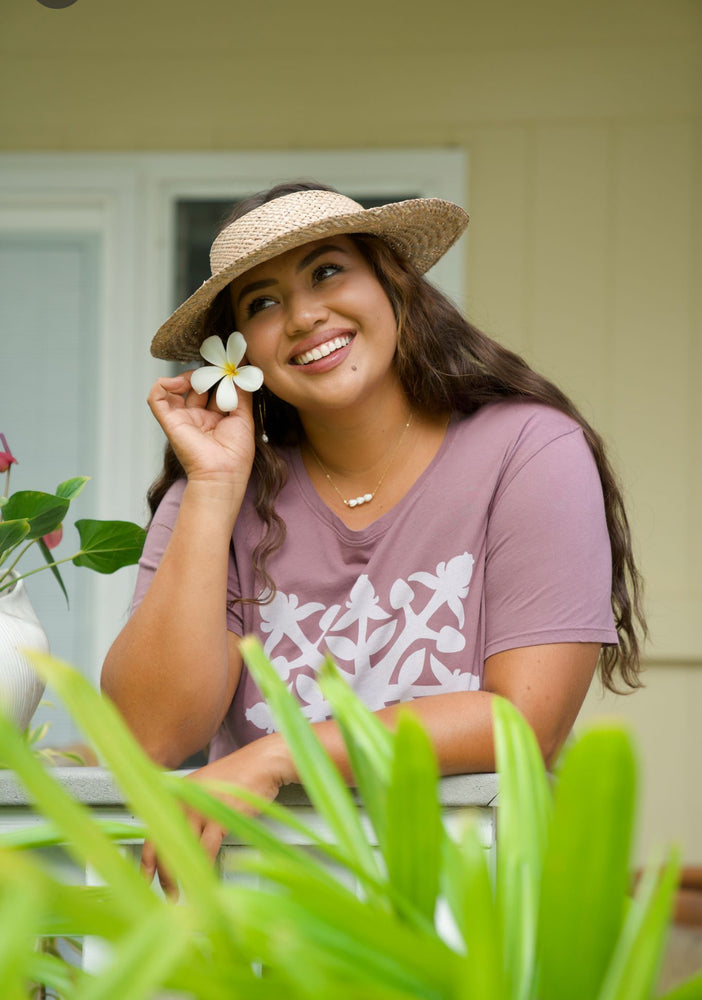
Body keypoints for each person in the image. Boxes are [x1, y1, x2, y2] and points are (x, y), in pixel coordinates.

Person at [101, 180, 646, 879]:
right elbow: (148, 737)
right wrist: (210, 486)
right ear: (241, 353)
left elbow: (525, 723)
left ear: (394, 285)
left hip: (469, 906)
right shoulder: (220, 489)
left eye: (327, 270)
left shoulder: (529, 450)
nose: (301, 316)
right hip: (256, 915)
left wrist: (277, 756)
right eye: (262, 303)